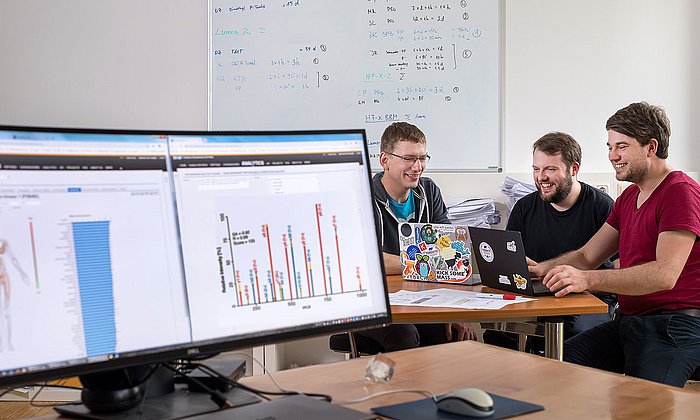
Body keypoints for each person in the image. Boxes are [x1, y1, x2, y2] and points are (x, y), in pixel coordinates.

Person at [530, 102, 700, 387]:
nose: (612, 156)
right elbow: (587, 255)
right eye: (609, 147)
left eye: (621, 146)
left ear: (651, 147)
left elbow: (664, 274)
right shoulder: (629, 197)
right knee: (553, 371)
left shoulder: (679, 192)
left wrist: (586, 279)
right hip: (630, 323)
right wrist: (540, 269)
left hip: (674, 327)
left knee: (641, 402)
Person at [483, 132, 616, 353]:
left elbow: (621, 269)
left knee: (575, 337)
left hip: (589, 298)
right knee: (497, 334)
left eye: (550, 169)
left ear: (574, 169)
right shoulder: (525, 207)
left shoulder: (602, 207)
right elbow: (508, 262)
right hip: (538, 296)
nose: (541, 177)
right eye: (536, 169)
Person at [357, 122, 477, 351]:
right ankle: (403, 388)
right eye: (409, 158)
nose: (417, 166)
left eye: (422, 158)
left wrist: (455, 309)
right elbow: (368, 262)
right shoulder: (362, 195)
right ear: (385, 160)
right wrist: (423, 263)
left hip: (419, 299)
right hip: (374, 304)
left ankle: (442, 389)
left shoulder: (429, 191)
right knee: (404, 335)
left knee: (455, 335)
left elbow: (450, 254)